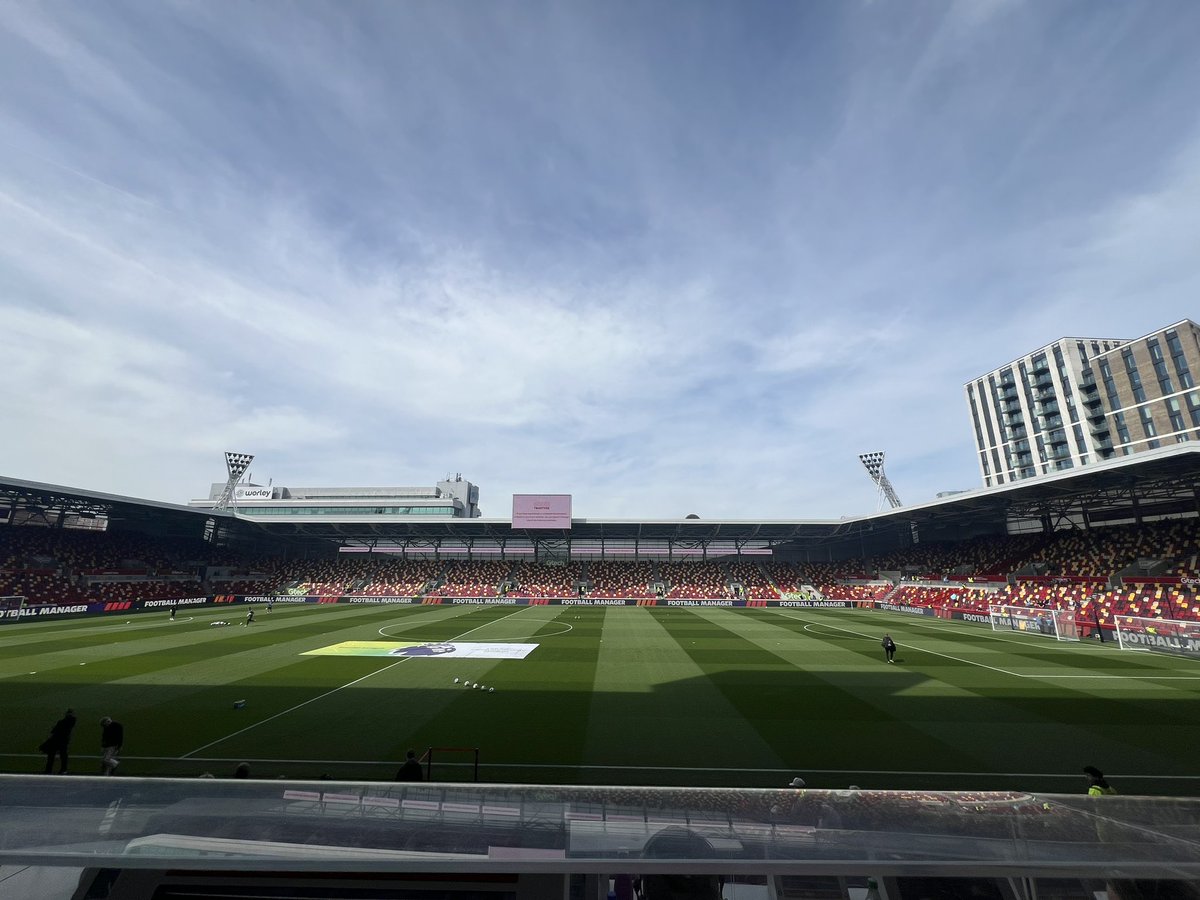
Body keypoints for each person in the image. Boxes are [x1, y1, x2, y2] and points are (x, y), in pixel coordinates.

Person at [41, 708, 76, 774]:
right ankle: (63, 770)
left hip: (56, 741)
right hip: (63, 741)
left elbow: (53, 732)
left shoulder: (61, 722)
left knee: (52, 756)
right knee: (63, 756)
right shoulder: (70, 722)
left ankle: (48, 770)